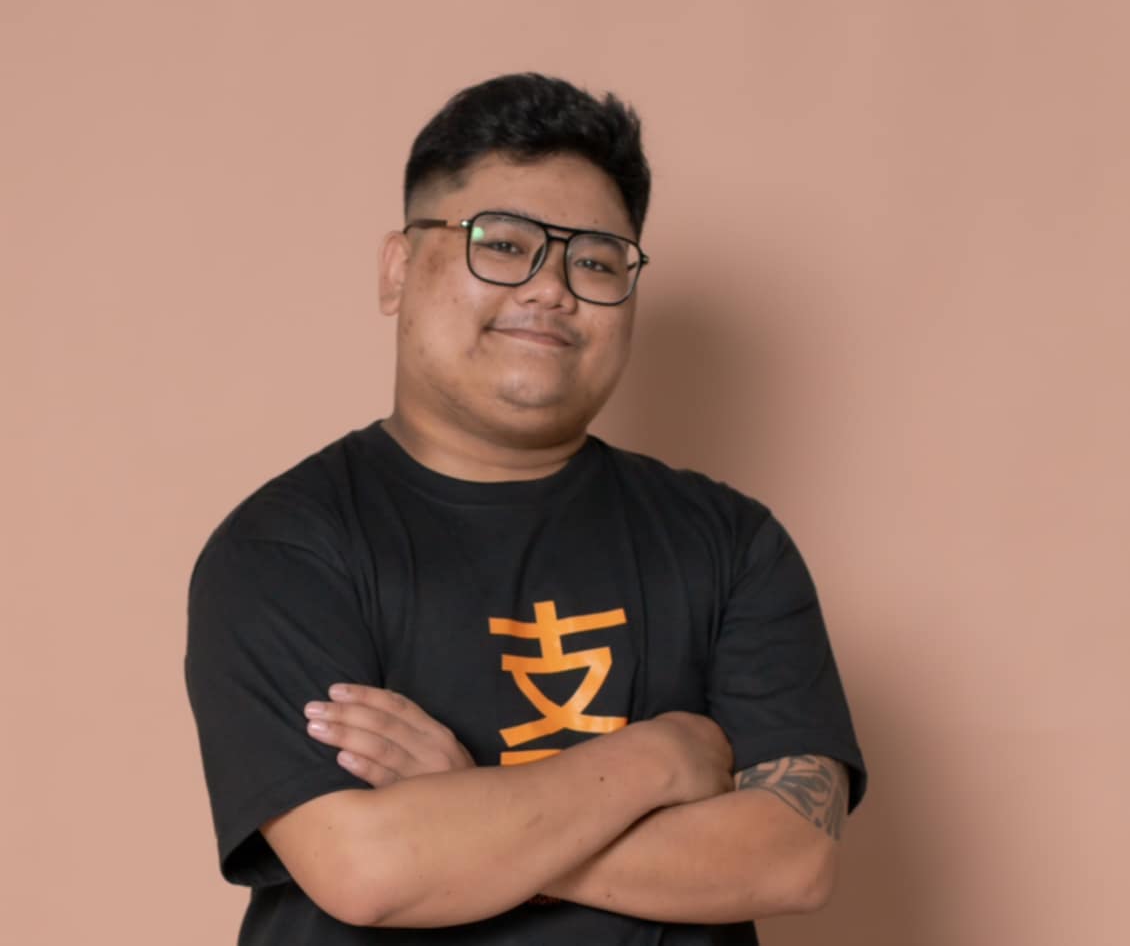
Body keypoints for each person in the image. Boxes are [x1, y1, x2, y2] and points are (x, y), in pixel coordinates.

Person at [185, 72, 867, 945]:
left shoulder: (732, 544)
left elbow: (791, 859)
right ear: (398, 269)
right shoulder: (284, 547)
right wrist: (660, 756)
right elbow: (369, 869)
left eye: (596, 261)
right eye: (504, 245)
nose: (552, 289)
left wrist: (463, 804)